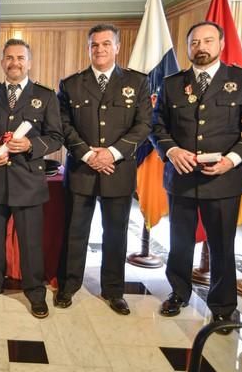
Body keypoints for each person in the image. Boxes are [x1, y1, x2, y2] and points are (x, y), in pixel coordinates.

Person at [152, 21, 242, 333]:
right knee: (179, 242)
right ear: (187, 48)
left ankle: (223, 307)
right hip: (182, 176)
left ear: (220, 44)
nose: (200, 47)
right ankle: (178, 293)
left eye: (207, 41)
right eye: (194, 43)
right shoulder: (173, 83)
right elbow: (157, 125)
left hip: (222, 178)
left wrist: (231, 160)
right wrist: (172, 151)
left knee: (222, 245)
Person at [54, 23, 152, 315]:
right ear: (88, 48)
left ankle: (113, 290)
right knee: (75, 232)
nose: (99, 49)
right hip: (81, 171)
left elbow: (143, 124)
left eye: (106, 44)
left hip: (117, 170)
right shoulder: (70, 84)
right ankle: (69, 286)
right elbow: (64, 125)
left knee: (116, 233)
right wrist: (87, 154)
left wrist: (110, 153)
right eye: (94, 45)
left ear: (117, 48)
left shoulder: (137, 83)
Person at [0, 38, 63, 318]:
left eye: (20, 58)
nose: (15, 63)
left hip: (29, 181)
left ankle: (35, 292)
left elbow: (56, 137)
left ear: (29, 62)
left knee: (30, 241)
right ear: (2, 62)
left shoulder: (45, 96)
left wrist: (32, 145)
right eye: (9, 58)